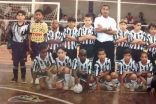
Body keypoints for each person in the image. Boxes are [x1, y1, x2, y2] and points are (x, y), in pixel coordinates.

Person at [7, 10, 29, 83]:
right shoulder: (12, 25)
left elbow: (29, 38)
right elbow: (9, 36)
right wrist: (9, 47)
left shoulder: (27, 26)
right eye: (18, 15)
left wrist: (28, 49)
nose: (20, 17)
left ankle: (23, 78)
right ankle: (15, 78)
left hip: (23, 46)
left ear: (24, 17)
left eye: (21, 15)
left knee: (22, 63)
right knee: (15, 63)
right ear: (16, 16)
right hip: (15, 46)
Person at [94, 5, 117, 71]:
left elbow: (114, 32)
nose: (105, 11)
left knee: (110, 60)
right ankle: (97, 76)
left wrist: (102, 29)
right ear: (101, 10)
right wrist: (107, 29)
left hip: (109, 43)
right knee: (97, 59)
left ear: (109, 11)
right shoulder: (97, 19)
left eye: (107, 9)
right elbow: (97, 30)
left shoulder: (112, 20)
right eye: (103, 9)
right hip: (99, 42)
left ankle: (110, 76)